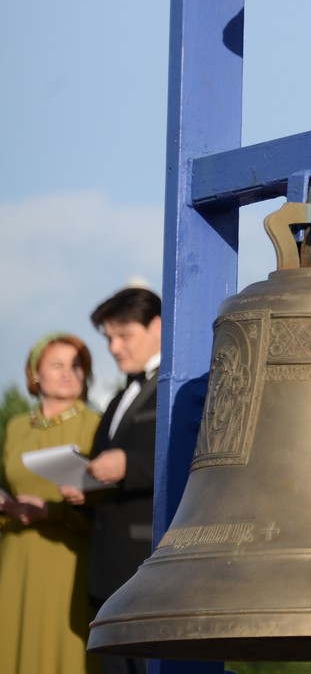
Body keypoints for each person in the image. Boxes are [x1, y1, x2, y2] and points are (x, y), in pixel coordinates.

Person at [62, 287, 161, 674]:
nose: (114, 348)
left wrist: (129, 465)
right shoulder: (117, 399)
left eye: (124, 336)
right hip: (107, 574)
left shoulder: (186, 386)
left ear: (156, 326)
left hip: (149, 569)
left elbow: (195, 458)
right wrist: (85, 491)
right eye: (108, 339)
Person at [0, 333, 104, 674]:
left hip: (69, 560)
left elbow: (105, 503)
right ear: (34, 373)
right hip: (16, 559)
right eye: (56, 364)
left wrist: (51, 511)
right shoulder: (16, 428)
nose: (67, 373)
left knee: (64, 652)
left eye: (77, 366)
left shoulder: (95, 425)